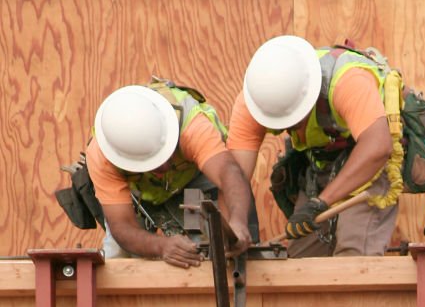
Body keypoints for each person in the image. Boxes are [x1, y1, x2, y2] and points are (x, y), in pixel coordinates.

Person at [227, 36, 403, 257]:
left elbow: (378, 147)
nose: (288, 127)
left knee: (354, 251)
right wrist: (236, 222)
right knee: (302, 261)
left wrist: (321, 202)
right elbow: (234, 176)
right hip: (319, 164)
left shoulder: (347, 82)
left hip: (368, 160)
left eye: (293, 119)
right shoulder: (255, 101)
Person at [85, 79, 255, 267]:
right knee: (115, 258)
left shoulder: (191, 126)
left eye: (167, 154)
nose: (165, 168)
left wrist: (238, 221)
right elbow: (122, 225)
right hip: (140, 194)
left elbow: (229, 173)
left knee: (215, 252)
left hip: (194, 176)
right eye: (153, 165)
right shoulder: (102, 156)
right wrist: (161, 246)